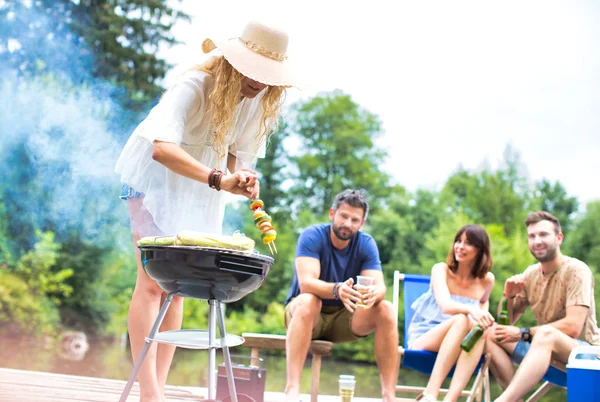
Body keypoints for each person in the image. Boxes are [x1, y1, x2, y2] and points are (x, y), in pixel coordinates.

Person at [114, 20, 297, 402]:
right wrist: (218, 178)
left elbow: (234, 153)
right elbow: (161, 149)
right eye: (254, 72)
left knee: (177, 289)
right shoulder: (193, 86)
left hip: (199, 188)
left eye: (268, 77)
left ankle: (159, 387)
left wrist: (241, 175)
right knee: (151, 283)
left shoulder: (257, 100)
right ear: (235, 62)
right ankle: (149, 393)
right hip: (154, 181)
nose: (260, 82)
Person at [283, 190, 398, 402]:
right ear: (332, 214)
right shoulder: (312, 235)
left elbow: (381, 287)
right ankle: (292, 390)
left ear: (362, 224)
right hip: (306, 315)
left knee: (386, 308)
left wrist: (375, 293)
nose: (348, 223)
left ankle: (389, 396)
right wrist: (337, 289)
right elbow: (306, 283)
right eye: (344, 216)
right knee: (310, 300)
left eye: (355, 220)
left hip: (344, 319)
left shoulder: (366, 244)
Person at [487, 211, 600, 402]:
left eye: (543, 234)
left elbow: (573, 327)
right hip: (543, 350)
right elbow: (506, 322)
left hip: (587, 356)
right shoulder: (531, 274)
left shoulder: (576, 270)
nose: (537, 241)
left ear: (559, 238)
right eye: (532, 236)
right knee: (491, 333)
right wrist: (508, 296)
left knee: (546, 335)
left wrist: (522, 333)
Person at [407, 224, 495, 402]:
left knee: (479, 331)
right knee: (462, 320)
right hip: (425, 336)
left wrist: (483, 318)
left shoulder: (487, 280)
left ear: (480, 251)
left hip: (461, 342)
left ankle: (450, 399)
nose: (460, 247)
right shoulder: (441, 270)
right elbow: (446, 306)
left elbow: (483, 304)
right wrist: (473, 310)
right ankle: (430, 394)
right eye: (458, 241)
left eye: (468, 243)